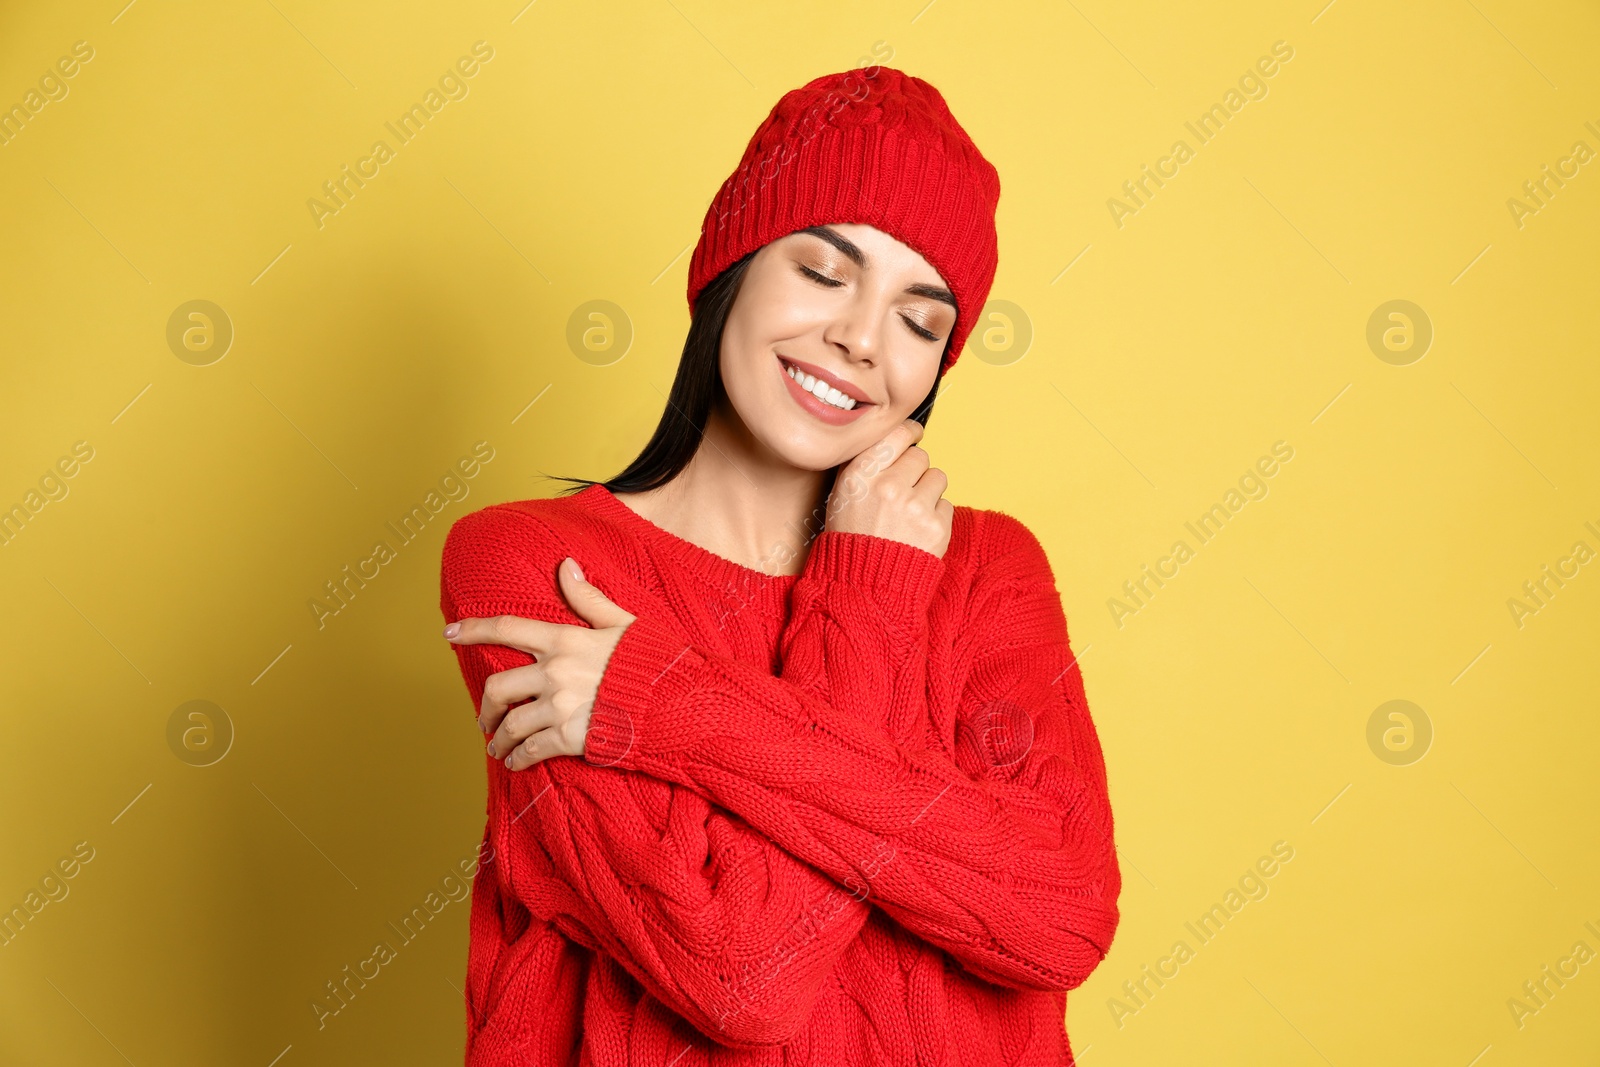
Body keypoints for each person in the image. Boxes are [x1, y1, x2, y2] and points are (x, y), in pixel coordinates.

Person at [438, 65, 1121, 1066]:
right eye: (821, 270)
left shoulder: (985, 569)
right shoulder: (537, 563)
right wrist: (868, 593)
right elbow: (742, 973)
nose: (857, 338)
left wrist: (660, 701)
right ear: (730, 269)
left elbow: (1058, 917)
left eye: (918, 319)